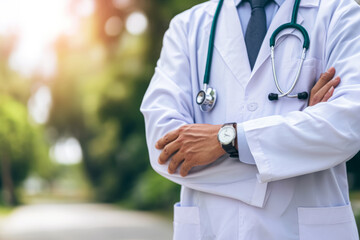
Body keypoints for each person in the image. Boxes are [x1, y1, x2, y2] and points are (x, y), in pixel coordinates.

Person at [140, 0, 360, 239]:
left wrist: (227, 141)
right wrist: (301, 130)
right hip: (214, 228)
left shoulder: (339, 13)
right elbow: (164, 147)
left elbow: (347, 123)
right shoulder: (186, 27)